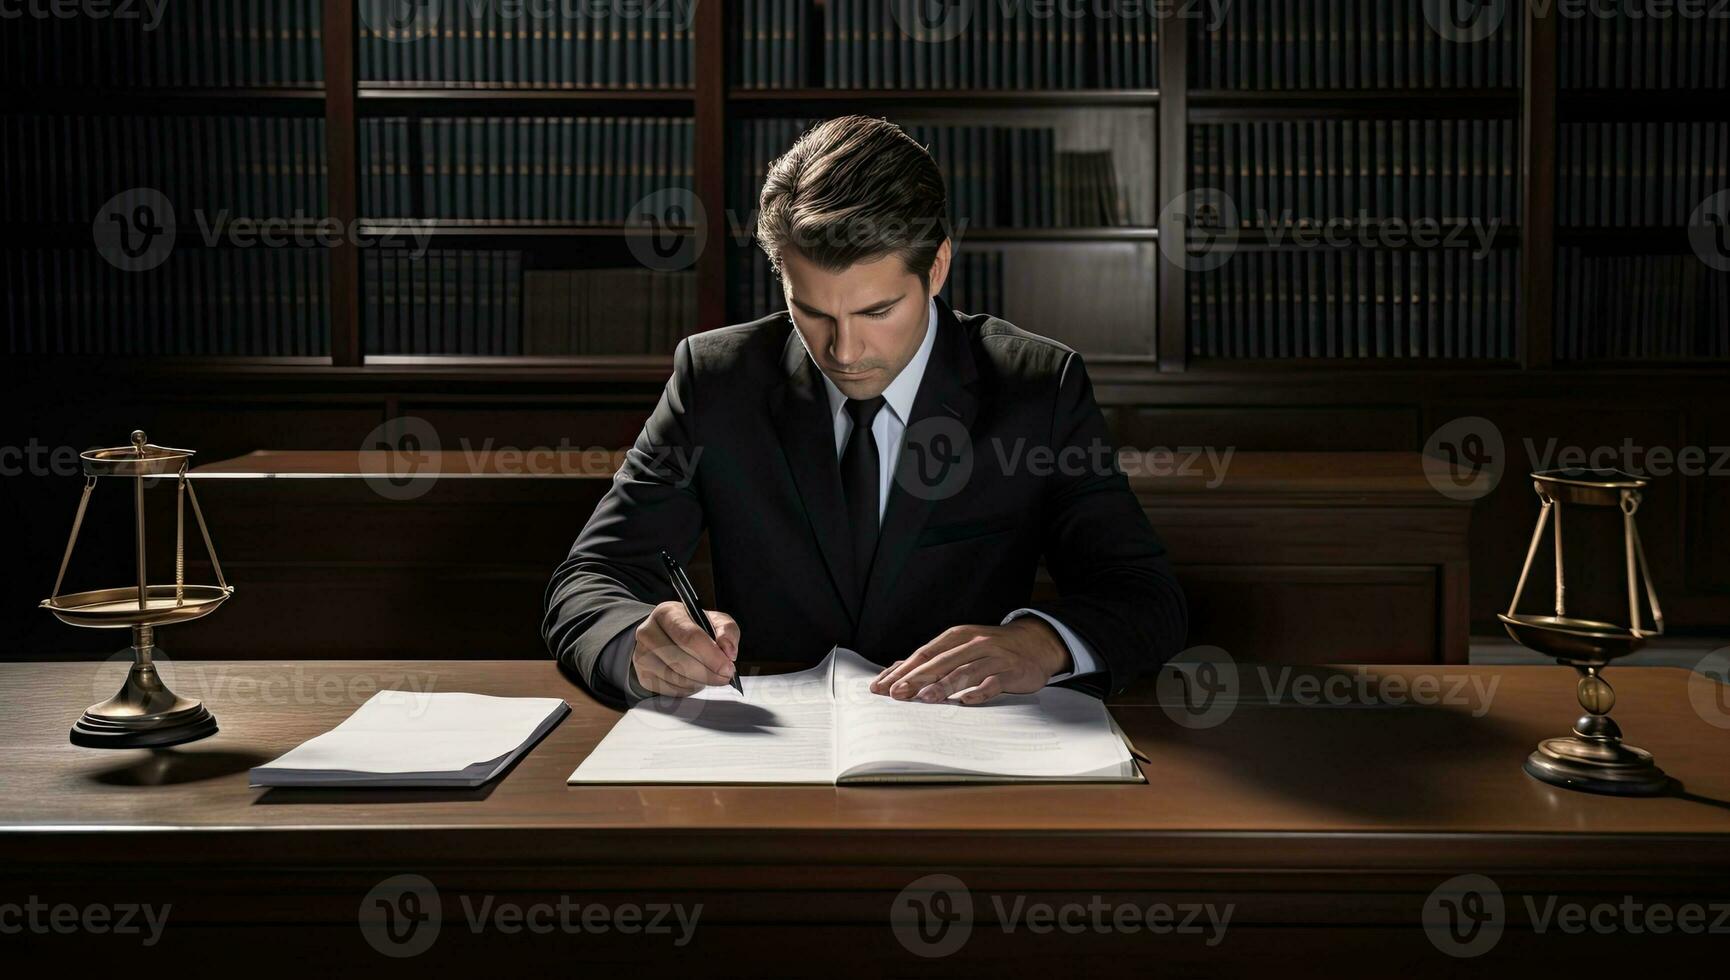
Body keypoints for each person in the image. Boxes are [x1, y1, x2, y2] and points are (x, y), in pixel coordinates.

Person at [543, 115, 1186, 708]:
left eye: (876, 312)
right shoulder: (717, 380)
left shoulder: (1037, 387)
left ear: (936, 267)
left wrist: (1042, 644)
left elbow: (1144, 595)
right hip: (765, 755)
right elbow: (591, 577)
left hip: (967, 754)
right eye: (814, 312)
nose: (843, 351)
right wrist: (638, 643)